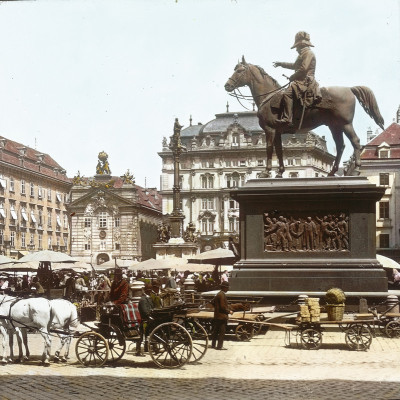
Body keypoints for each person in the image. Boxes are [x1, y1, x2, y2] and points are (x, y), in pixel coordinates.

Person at [273, 31, 321, 127]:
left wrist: (292, 77)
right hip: (301, 80)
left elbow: (303, 69)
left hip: (305, 81)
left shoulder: (308, 53)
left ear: (301, 45)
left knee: (287, 94)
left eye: (297, 47)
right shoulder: (303, 54)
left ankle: (287, 118)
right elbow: (295, 66)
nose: (296, 49)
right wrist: (281, 64)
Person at [211, 281, 232, 350]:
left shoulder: (218, 294)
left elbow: (212, 302)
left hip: (217, 316)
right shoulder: (222, 295)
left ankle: (213, 345)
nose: (228, 289)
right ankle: (219, 346)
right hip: (222, 317)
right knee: (222, 332)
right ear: (224, 288)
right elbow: (223, 307)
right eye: (227, 288)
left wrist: (217, 308)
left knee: (215, 331)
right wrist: (229, 311)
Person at [137, 283, 155, 355]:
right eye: (149, 290)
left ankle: (147, 347)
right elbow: (145, 311)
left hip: (149, 318)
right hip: (144, 319)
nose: (150, 292)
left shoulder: (148, 298)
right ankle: (138, 350)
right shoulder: (143, 300)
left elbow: (152, 308)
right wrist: (150, 316)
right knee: (141, 335)